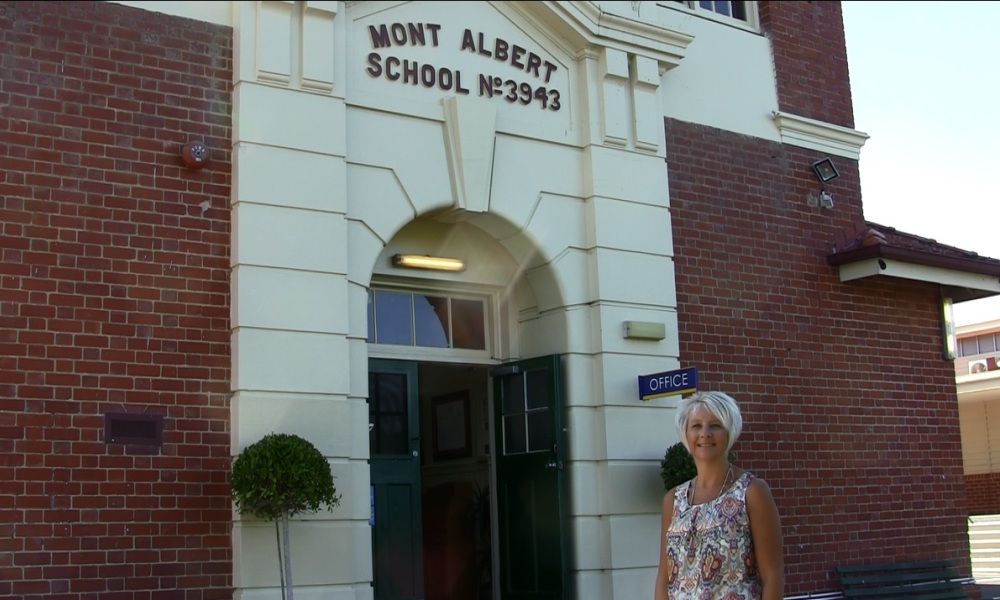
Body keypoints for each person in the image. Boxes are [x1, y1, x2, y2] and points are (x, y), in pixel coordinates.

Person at [654, 391, 784, 600]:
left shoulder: (752, 492)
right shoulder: (673, 500)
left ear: (729, 432)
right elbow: (663, 578)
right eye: (696, 426)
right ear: (685, 434)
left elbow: (772, 576)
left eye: (715, 425)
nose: (705, 433)